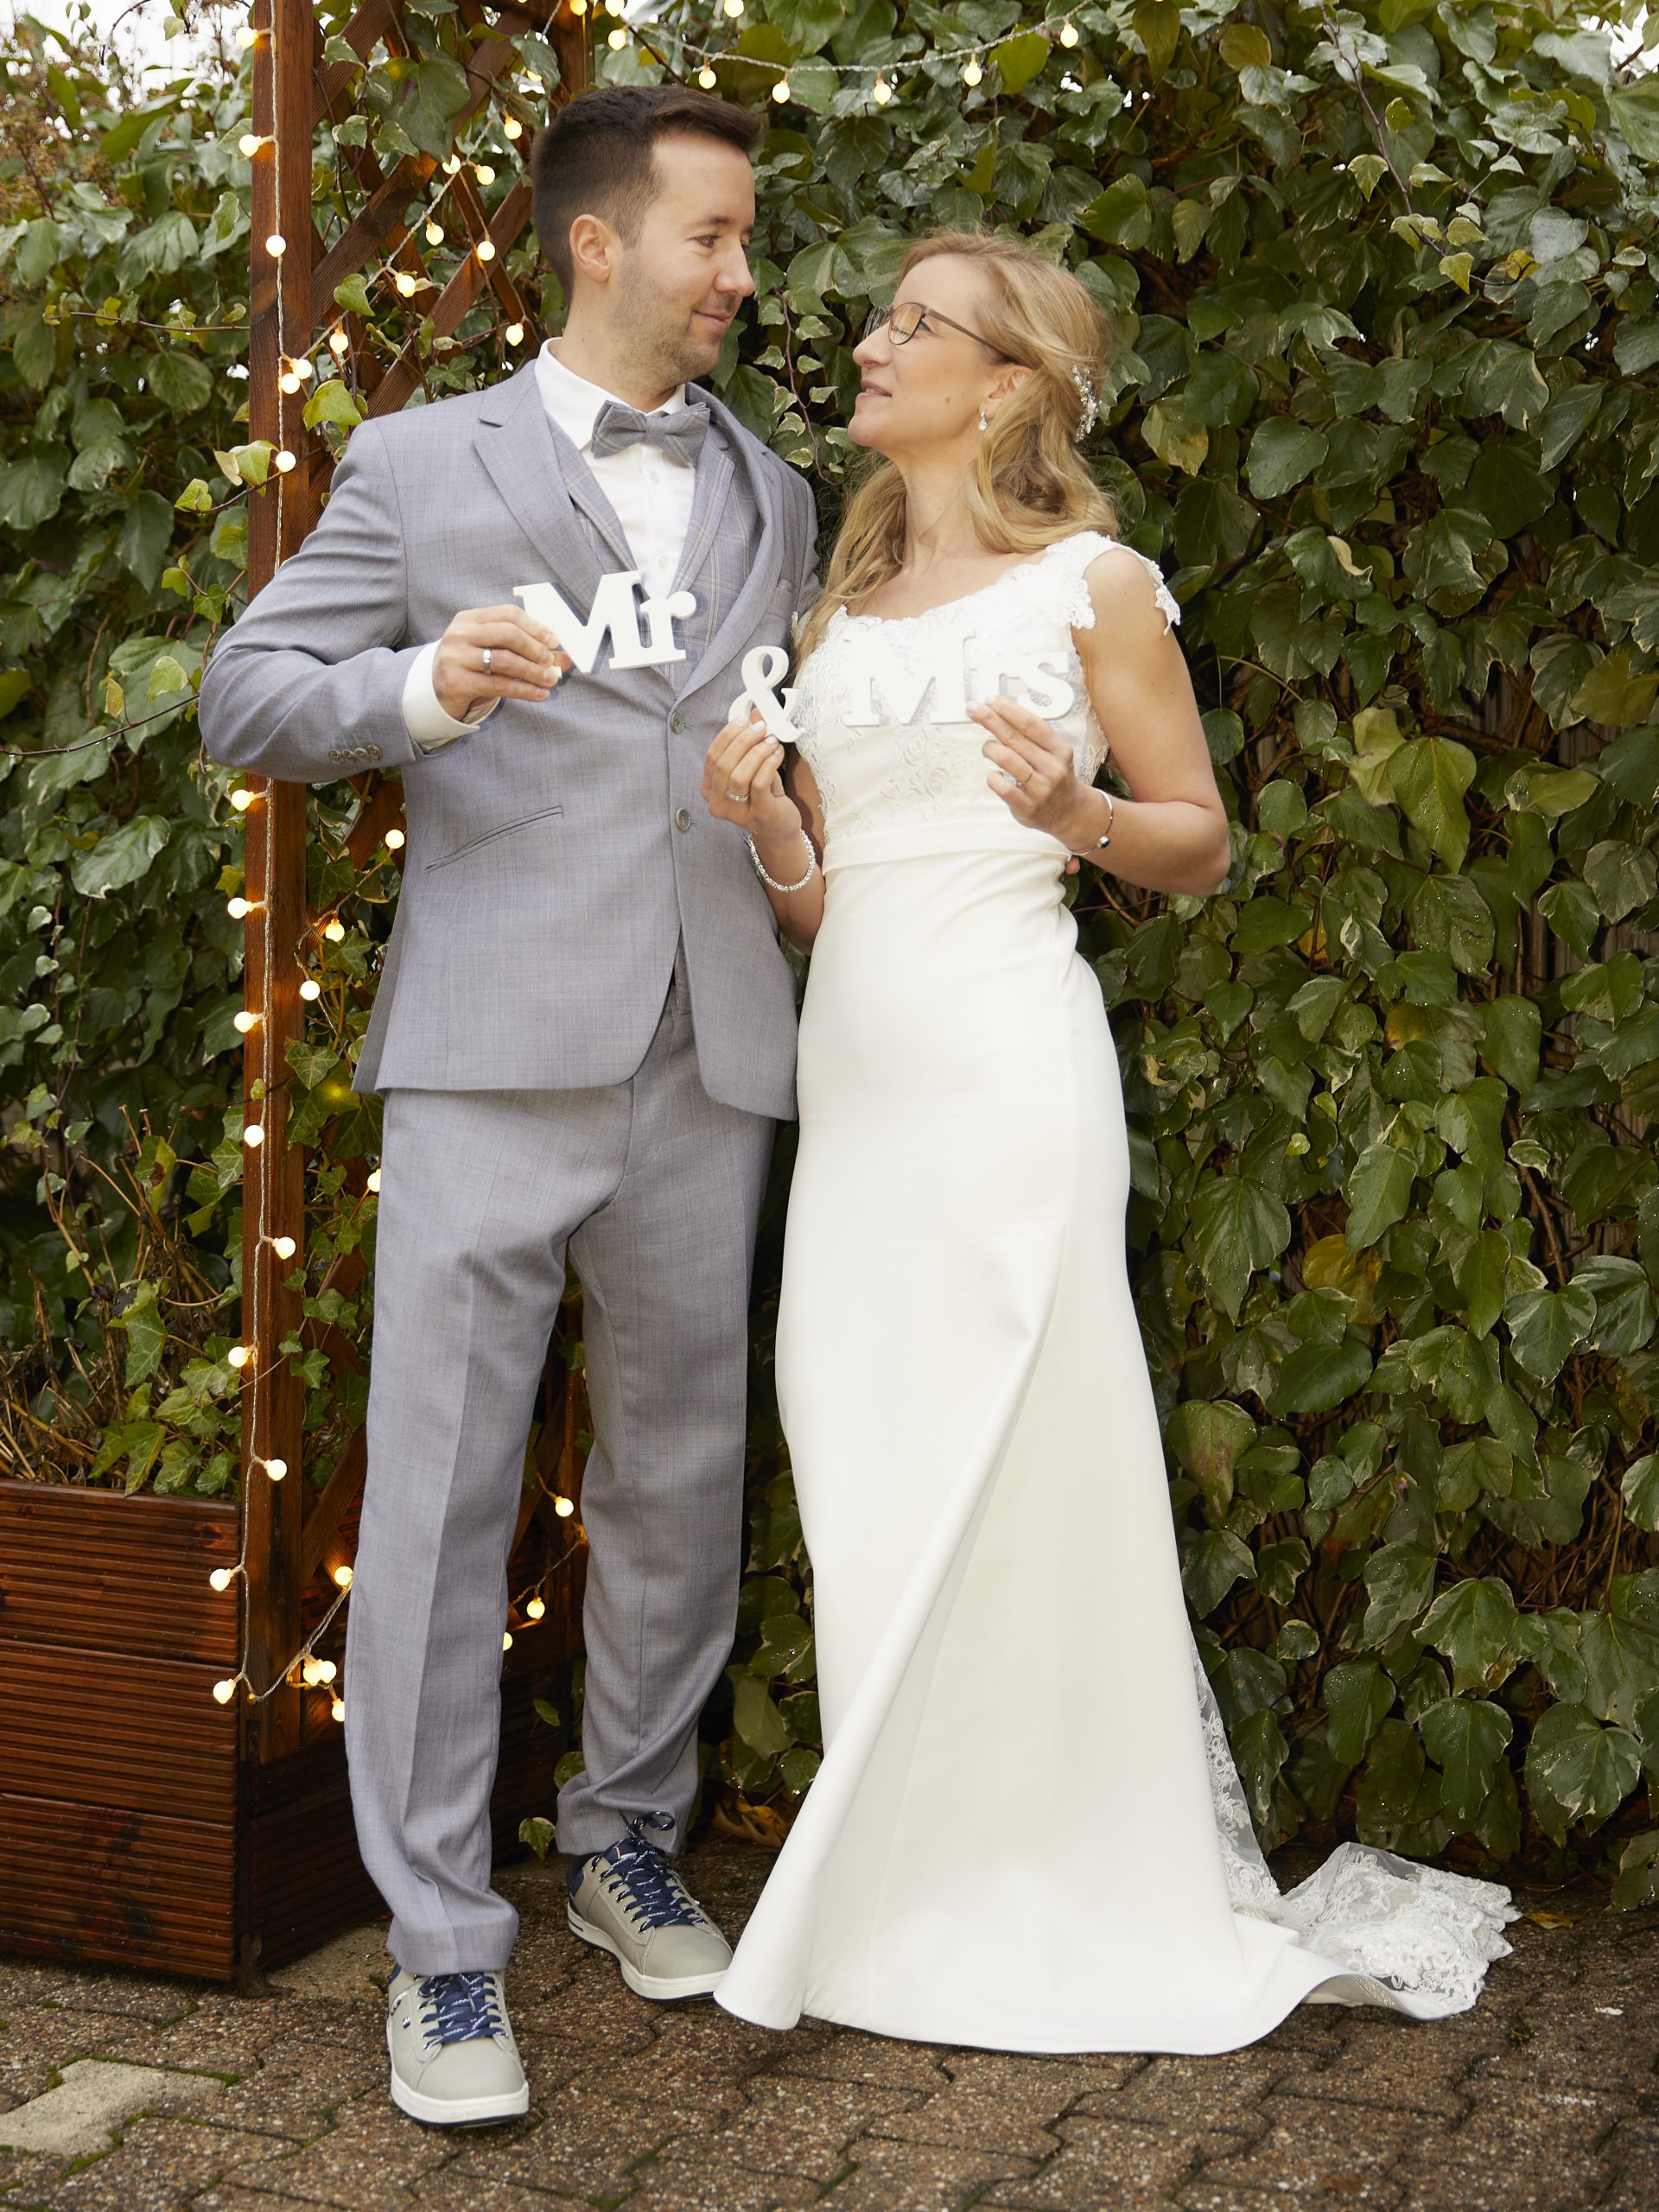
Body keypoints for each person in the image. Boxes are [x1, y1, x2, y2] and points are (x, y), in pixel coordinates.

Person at [701, 231, 1516, 2053]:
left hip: (1010, 1082)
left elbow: (1199, 839)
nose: (871, 341)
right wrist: (762, 824)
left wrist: (1076, 808)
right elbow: (826, 907)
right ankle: (910, 1886)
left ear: (1005, 383)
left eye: (911, 322)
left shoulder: (1095, 581)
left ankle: (1051, 1881)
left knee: (1024, 1463)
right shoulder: (842, 606)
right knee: (867, 1463)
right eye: (883, 317)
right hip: (863, 1100)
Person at [197, 86, 818, 2124]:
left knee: (679, 1478)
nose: (742, 275)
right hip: (484, 1049)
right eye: (715, 237)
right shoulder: (413, 460)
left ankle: (628, 1834)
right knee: (445, 1491)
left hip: (712, 1043)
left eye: (745, 242)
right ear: (598, 241)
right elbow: (243, 696)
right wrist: (417, 691)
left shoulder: (780, 492)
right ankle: (443, 1946)